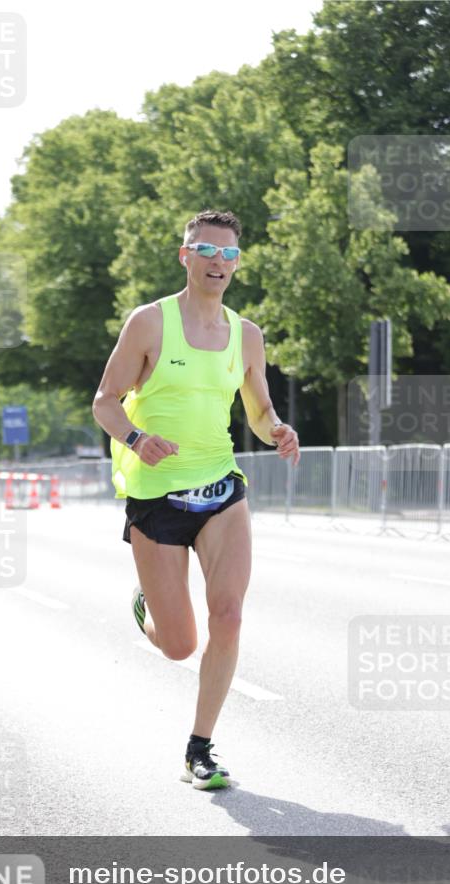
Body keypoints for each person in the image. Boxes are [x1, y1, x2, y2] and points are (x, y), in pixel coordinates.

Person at [92, 210, 299, 790]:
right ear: (186, 256)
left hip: (220, 488)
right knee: (180, 646)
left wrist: (278, 429)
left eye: (229, 254)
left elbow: (258, 413)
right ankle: (149, 609)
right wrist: (136, 438)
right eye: (207, 251)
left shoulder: (246, 334)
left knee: (228, 616)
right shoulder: (149, 323)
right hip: (156, 496)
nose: (218, 263)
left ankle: (199, 748)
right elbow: (105, 402)